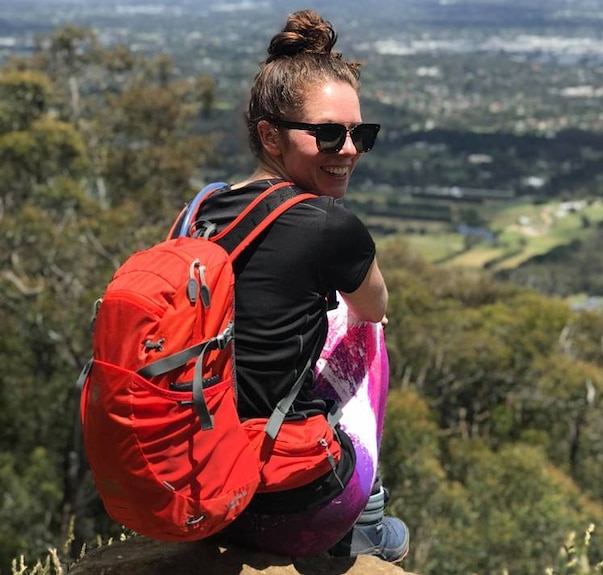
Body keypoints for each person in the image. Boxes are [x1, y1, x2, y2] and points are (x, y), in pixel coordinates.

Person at [195, 9, 409, 563]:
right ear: (269, 134)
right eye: (329, 134)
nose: (350, 150)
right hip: (275, 500)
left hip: (188, 475)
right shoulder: (329, 226)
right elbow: (376, 306)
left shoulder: (204, 206)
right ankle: (365, 518)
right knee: (367, 327)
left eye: (361, 134)